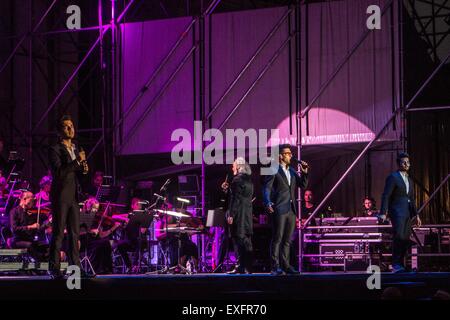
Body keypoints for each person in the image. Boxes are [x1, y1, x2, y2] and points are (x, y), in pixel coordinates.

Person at [47, 115, 89, 279]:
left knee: (74, 234)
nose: (71, 129)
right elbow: (59, 173)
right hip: (60, 195)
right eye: (66, 126)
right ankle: (54, 268)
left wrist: (84, 169)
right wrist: (76, 162)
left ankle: (75, 269)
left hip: (74, 196)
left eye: (72, 125)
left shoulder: (76, 148)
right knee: (58, 233)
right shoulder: (55, 149)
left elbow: (77, 175)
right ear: (59, 131)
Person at [263, 144, 309, 275]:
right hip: (279, 207)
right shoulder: (273, 169)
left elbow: (303, 185)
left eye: (290, 153)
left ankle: (286, 266)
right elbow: (266, 187)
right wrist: (267, 202)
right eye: (288, 153)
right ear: (281, 156)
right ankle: (275, 267)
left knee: (288, 240)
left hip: (291, 209)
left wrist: (305, 172)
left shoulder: (293, 171)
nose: (290, 155)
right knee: (277, 238)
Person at [380, 152, 421, 273]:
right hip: (397, 211)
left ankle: (400, 264)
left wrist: (416, 214)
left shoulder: (409, 179)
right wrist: (383, 212)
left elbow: (412, 199)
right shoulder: (393, 177)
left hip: (407, 212)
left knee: (405, 238)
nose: (406, 164)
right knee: (399, 236)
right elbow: (386, 195)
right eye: (404, 162)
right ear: (398, 164)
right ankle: (395, 264)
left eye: (408, 162)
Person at [224, 158, 254, 274]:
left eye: (233, 166)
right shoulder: (249, 180)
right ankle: (248, 266)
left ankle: (240, 265)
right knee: (247, 241)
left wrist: (231, 214)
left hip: (238, 215)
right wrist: (228, 190)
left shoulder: (236, 180)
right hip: (247, 214)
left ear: (237, 167)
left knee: (238, 240)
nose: (232, 168)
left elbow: (235, 199)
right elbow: (243, 197)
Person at [79, 197, 119, 274]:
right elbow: (77, 232)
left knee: (106, 242)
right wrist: (90, 231)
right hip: (83, 241)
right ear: (88, 206)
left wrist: (113, 228)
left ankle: (107, 269)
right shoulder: (81, 216)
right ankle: (97, 269)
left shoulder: (96, 218)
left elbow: (101, 235)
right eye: (94, 208)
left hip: (93, 241)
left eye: (97, 208)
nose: (96, 210)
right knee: (100, 245)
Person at [9, 191, 50, 261]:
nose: (33, 203)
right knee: (31, 246)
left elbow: (38, 229)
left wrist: (47, 223)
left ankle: (46, 264)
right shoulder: (14, 211)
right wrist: (30, 227)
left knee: (48, 247)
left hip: (30, 240)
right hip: (18, 240)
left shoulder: (32, 212)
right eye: (31, 200)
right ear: (24, 199)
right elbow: (14, 229)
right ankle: (41, 263)